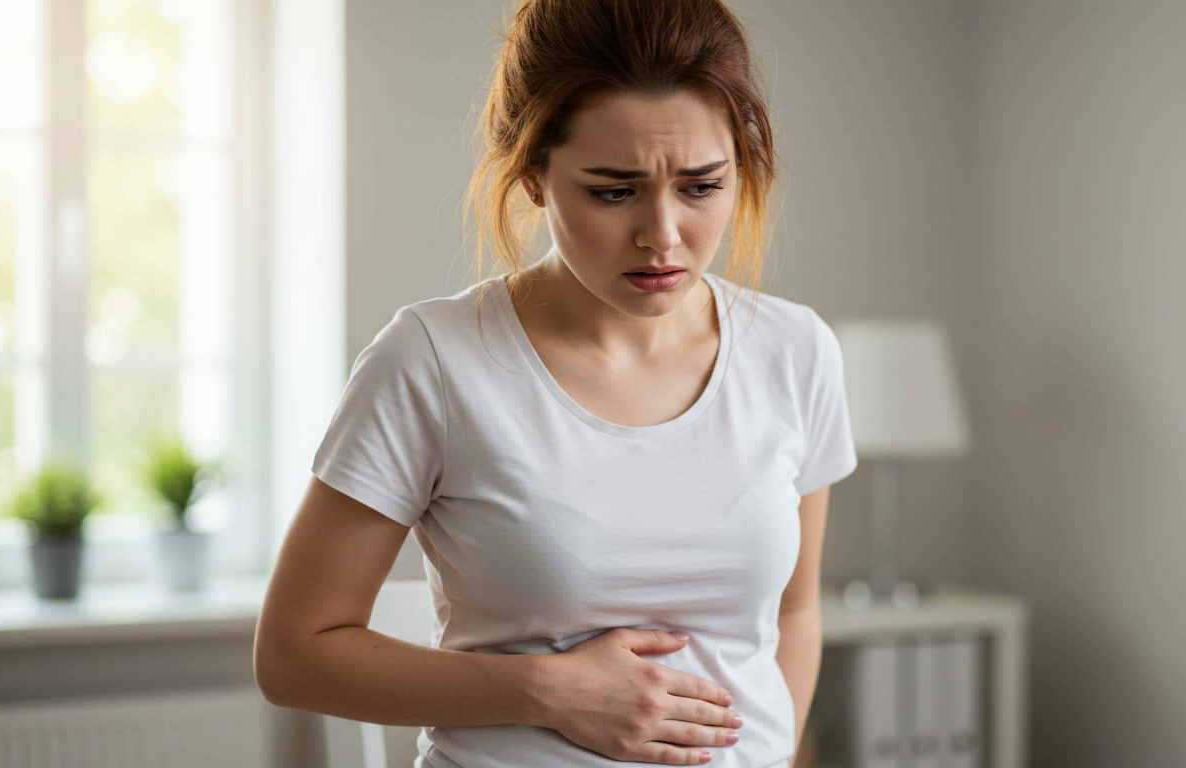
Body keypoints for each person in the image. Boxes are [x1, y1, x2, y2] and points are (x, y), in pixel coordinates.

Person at [253, 1, 857, 766]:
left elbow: (795, 613)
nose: (663, 235)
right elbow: (295, 652)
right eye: (613, 191)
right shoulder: (432, 361)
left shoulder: (797, 351)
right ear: (534, 177)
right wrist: (544, 690)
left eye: (702, 186)